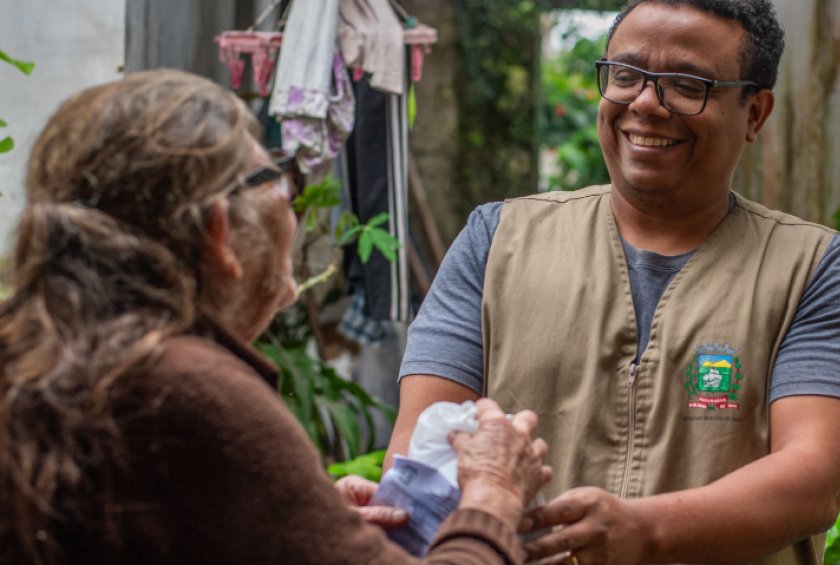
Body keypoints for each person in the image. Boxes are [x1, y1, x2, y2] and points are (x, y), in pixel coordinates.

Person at [0, 68, 552, 564]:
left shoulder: (60, 352)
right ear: (221, 232)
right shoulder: (183, 385)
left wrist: (299, 524)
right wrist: (490, 498)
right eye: (278, 177)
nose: (293, 199)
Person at [386, 1, 840, 564]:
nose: (645, 102)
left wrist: (644, 529)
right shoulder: (496, 241)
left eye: (688, 84)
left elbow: (813, 482)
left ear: (755, 113)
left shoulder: (813, 269)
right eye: (626, 75)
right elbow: (421, 447)